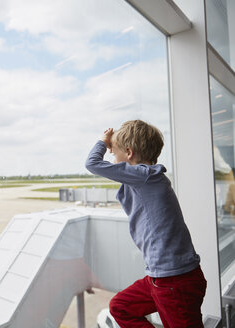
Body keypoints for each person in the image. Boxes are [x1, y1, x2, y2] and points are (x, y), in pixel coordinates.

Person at [85, 120, 207, 328]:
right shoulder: (148, 178)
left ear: (129, 152)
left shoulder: (146, 176)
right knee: (121, 307)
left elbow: (92, 164)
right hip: (161, 277)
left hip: (174, 280)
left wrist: (102, 142)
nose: (113, 160)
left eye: (114, 154)